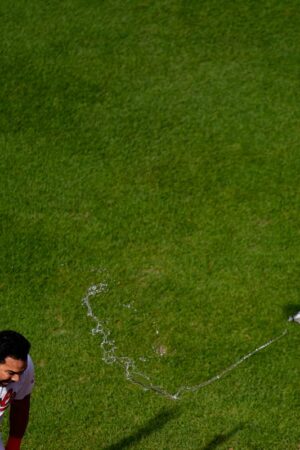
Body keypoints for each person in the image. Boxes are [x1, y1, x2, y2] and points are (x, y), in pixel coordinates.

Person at [0, 331, 34, 450]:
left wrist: (14, 444)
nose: (17, 378)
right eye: (11, 373)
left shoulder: (23, 367)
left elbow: (21, 404)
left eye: (20, 372)